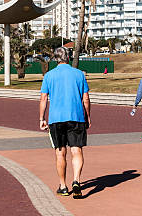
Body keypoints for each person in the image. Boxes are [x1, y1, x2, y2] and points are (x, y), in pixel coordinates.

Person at [39, 47, 91, 199]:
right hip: (76, 117)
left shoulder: (49, 76)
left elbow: (43, 99)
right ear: (68, 57)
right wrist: (88, 116)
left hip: (56, 118)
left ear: (56, 59)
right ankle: (76, 180)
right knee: (77, 151)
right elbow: (86, 98)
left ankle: (63, 186)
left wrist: (42, 118)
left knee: (60, 153)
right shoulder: (79, 74)